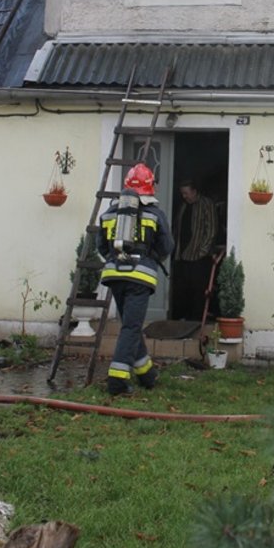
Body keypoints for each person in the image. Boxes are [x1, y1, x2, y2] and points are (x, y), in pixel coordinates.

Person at [98, 163, 174, 396]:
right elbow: (167, 246)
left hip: (114, 276)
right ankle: (117, 380)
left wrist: (116, 260)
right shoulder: (155, 214)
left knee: (130, 324)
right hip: (140, 278)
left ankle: (146, 374)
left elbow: (101, 247)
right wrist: (149, 259)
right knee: (131, 326)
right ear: (150, 187)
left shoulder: (109, 213)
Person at [171, 179, 218, 321]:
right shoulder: (183, 206)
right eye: (182, 193)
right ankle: (183, 317)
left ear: (194, 191)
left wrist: (202, 251)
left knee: (198, 289)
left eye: (186, 193)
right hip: (182, 254)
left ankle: (196, 319)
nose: (184, 196)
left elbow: (211, 229)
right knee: (182, 288)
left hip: (199, 256)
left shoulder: (206, 204)